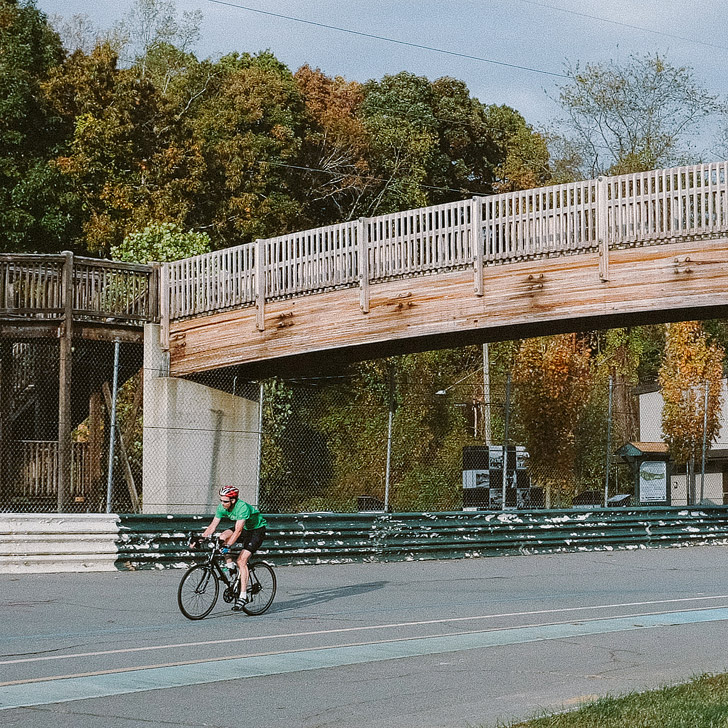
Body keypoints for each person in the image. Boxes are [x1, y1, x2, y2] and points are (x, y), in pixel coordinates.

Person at [200, 485, 267, 612]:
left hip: (256, 530)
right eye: (221, 500)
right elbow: (212, 526)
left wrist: (228, 546)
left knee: (242, 560)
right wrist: (201, 538)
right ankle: (230, 567)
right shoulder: (222, 507)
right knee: (222, 536)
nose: (222, 503)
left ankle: (243, 595)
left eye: (225, 501)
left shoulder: (242, 507)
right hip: (245, 529)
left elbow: (238, 530)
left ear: (233, 500)